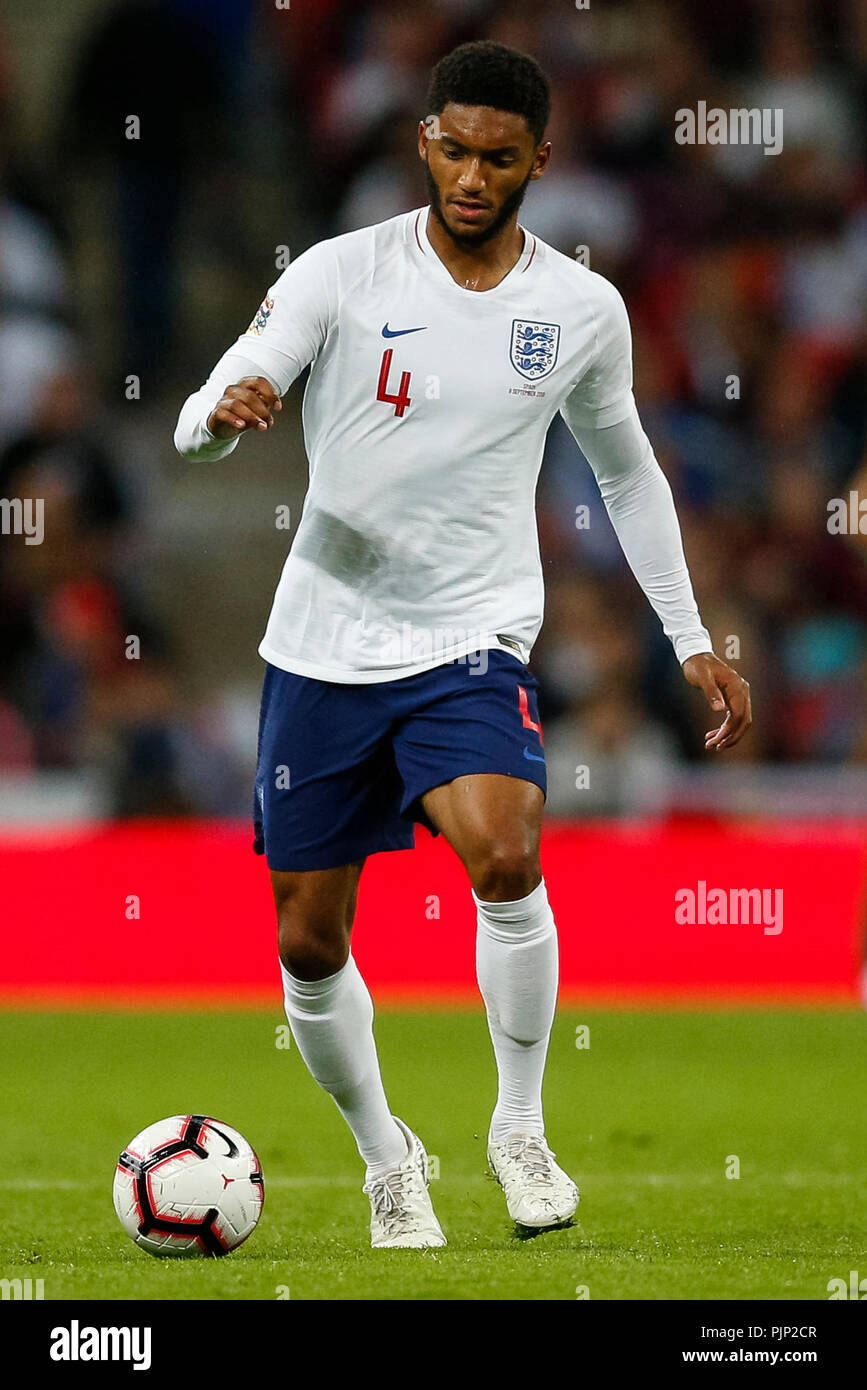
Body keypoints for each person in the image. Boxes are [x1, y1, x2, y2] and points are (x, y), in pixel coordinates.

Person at [174, 40, 751, 1249]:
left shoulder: (581, 311)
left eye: (500, 157)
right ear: (423, 140)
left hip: (472, 635)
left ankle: (521, 1127)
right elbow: (219, 399)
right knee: (306, 938)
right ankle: (391, 1157)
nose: (473, 175)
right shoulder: (340, 272)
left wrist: (690, 634)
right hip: (324, 643)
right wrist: (221, 421)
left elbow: (628, 470)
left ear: (541, 158)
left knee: (502, 853)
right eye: (453, 148)